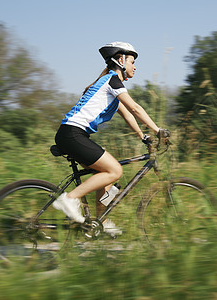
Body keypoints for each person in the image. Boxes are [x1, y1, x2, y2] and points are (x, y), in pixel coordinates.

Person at [52, 41, 168, 236]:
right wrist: (158, 130)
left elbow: (128, 115)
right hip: (73, 134)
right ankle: (69, 199)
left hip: (71, 134)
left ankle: (101, 222)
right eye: (132, 62)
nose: (135, 67)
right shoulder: (112, 80)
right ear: (121, 60)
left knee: (105, 178)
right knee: (115, 170)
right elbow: (135, 108)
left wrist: (143, 136)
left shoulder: (110, 86)